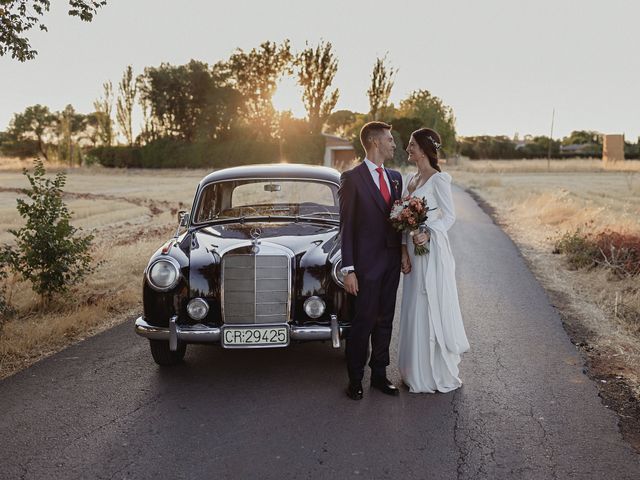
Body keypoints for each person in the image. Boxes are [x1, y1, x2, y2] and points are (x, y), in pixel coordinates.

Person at [398, 128, 470, 393]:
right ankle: (412, 369)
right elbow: (401, 221)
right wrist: (403, 251)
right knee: (413, 303)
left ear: (425, 149)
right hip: (412, 252)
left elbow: (449, 217)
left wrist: (428, 233)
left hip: (432, 252)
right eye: (408, 145)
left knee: (429, 303)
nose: (408, 149)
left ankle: (431, 372)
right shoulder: (409, 179)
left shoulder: (439, 180)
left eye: (412, 145)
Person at [339, 121, 404, 400]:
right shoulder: (352, 178)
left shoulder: (396, 177)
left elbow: (400, 221)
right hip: (364, 265)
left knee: (385, 320)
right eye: (390, 139)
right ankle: (355, 379)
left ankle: (379, 375)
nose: (394, 144)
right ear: (375, 142)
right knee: (363, 322)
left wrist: (403, 254)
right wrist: (349, 269)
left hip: (391, 263)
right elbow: (347, 227)